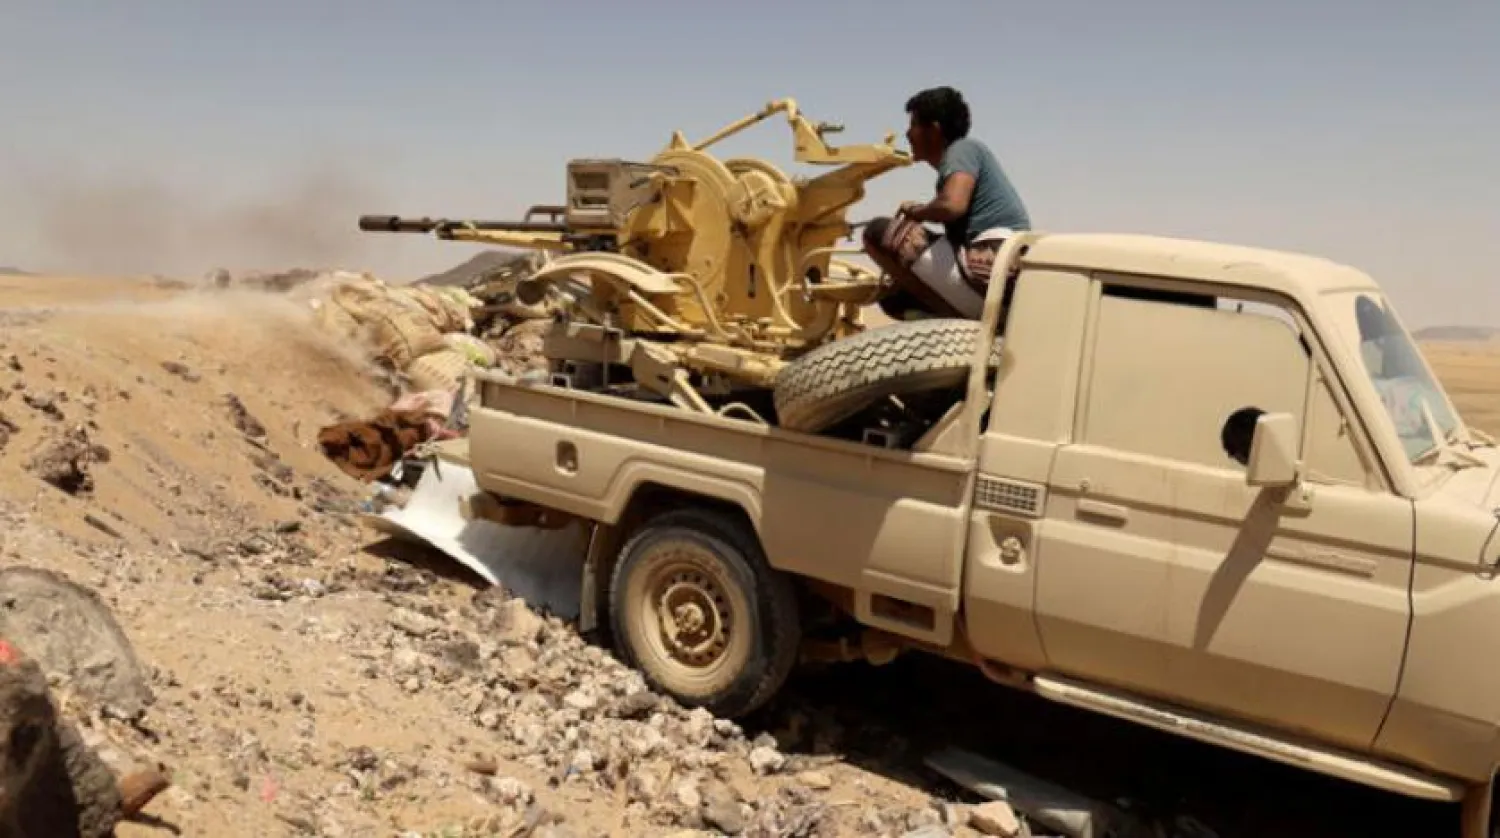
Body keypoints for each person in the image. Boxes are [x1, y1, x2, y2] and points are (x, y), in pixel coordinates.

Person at [863, 86, 1032, 320]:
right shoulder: (965, 156)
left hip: (991, 267)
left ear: (934, 130)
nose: (908, 134)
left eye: (913, 125)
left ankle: (959, 319)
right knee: (894, 299)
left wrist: (916, 211)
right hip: (1001, 275)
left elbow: (952, 206)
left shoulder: (962, 149)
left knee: (879, 232)